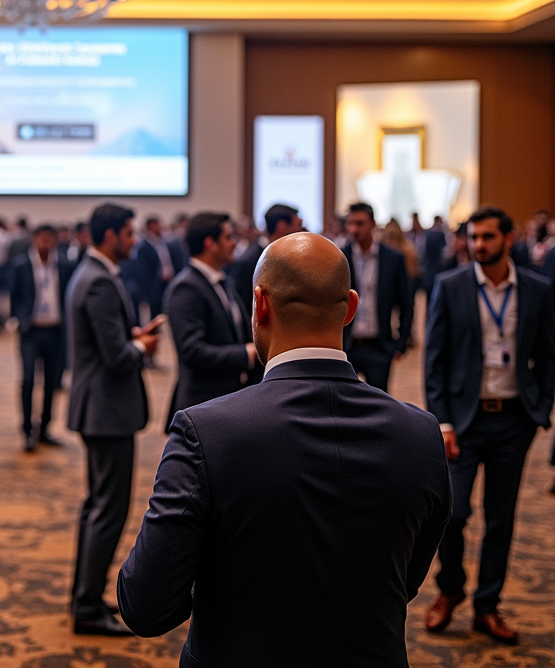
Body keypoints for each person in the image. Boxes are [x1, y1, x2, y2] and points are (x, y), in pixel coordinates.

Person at [117, 232, 451, 666]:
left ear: (260, 305)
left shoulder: (205, 433)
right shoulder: (422, 434)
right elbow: (402, 581)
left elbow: (145, 606)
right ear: (350, 308)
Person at [423, 206, 555, 645]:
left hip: (515, 421)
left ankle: (487, 605)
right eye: (473, 237)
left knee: (501, 519)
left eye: (487, 237)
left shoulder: (536, 290)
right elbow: (434, 361)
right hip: (462, 422)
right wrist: (441, 422)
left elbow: (548, 355)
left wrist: (540, 406)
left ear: (508, 238)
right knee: (453, 514)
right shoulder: (451, 286)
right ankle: (449, 589)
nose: (478, 245)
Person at [66, 203, 159, 637]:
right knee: (108, 510)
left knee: (96, 507)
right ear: (107, 236)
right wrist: (142, 347)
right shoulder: (100, 281)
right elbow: (117, 357)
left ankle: (85, 596)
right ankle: (86, 607)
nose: (133, 240)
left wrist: (134, 338)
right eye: (127, 232)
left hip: (99, 407)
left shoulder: (94, 273)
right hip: (106, 410)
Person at [165, 212, 258, 431]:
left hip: (226, 399)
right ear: (210, 244)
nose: (234, 243)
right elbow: (192, 351)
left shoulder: (221, 280)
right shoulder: (186, 288)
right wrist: (247, 353)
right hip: (202, 406)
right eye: (228, 237)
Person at [9, 224, 74, 452]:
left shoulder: (65, 265)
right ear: (34, 240)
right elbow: (14, 296)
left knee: (51, 382)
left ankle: (44, 428)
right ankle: (27, 430)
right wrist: (19, 319)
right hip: (31, 331)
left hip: (56, 331)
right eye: (41, 239)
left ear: (55, 241)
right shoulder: (22, 265)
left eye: (49, 240)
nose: (45, 244)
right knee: (28, 380)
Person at [342, 202, 413, 392]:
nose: (354, 229)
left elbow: (406, 303)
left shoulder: (392, 258)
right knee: (342, 402)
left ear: (373, 224)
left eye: (360, 223)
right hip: (347, 345)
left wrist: (400, 343)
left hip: (379, 346)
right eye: (350, 223)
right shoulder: (341, 256)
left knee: (379, 405)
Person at [230, 203, 301, 316]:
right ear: (282, 226)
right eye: (298, 225)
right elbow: (244, 309)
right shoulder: (249, 262)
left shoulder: (293, 257)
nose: (301, 231)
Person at [133, 216, 179, 321]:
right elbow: (143, 271)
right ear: (151, 226)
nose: (161, 227)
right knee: (154, 315)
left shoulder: (162, 242)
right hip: (153, 287)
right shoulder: (143, 246)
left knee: (163, 313)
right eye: (158, 225)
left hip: (165, 284)